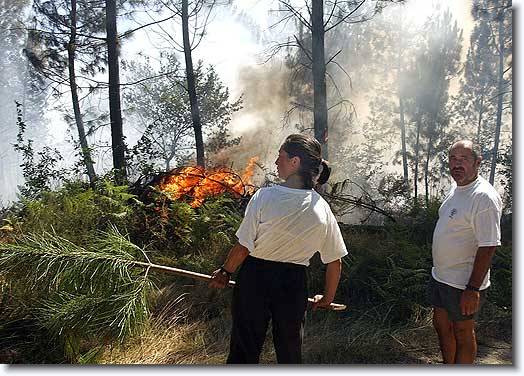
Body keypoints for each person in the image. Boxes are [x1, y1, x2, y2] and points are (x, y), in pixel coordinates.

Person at [209, 133, 348, 364]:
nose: (276, 162)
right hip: (294, 284)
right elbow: (335, 261)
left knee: (244, 349)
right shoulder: (322, 209)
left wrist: (225, 272)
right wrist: (327, 297)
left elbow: (244, 246)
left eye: (281, 157)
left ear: (295, 162)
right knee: (290, 352)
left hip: (255, 279)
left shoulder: (264, 197)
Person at [428, 140, 502, 364]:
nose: (457, 164)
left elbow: (488, 246)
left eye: (464, 159)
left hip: (463, 283)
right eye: (453, 159)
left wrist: (472, 289)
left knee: (462, 332)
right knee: (441, 326)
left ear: (478, 163)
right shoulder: (457, 188)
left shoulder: (484, 198)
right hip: (441, 276)